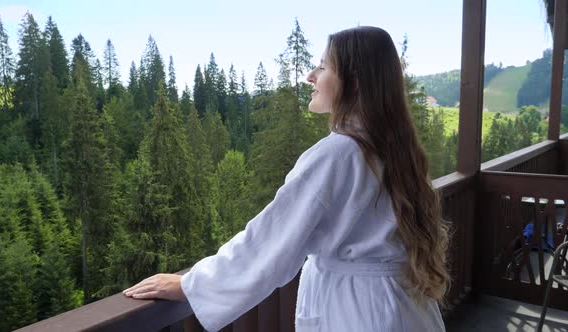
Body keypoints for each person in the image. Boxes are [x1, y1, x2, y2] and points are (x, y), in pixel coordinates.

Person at [123, 26, 449, 331]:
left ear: (355, 81)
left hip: (359, 312)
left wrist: (190, 284)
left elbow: (270, 241)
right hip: (406, 307)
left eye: (323, 67)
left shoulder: (338, 154)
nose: (311, 76)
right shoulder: (392, 148)